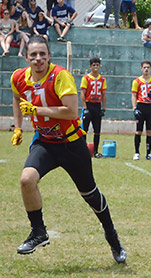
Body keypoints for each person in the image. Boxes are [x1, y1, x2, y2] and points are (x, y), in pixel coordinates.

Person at [11, 36, 126, 263]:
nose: (38, 59)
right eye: (33, 55)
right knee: (27, 180)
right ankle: (38, 232)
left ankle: (112, 236)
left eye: (42, 54)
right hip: (45, 142)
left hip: (72, 144)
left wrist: (36, 110)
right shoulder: (18, 77)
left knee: (90, 195)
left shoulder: (60, 76)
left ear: (49, 56)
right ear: (26, 58)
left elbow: (71, 112)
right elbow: (16, 97)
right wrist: (18, 127)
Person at [131, 60, 151, 160]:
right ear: (141, 68)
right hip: (141, 106)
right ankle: (137, 152)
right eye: (144, 67)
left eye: (148, 67)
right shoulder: (137, 81)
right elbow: (134, 95)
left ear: (150, 68)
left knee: (149, 131)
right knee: (138, 130)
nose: (146, 69)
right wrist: (134, 108)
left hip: (150, 107)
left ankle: (148, 153)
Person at [80, 57, 107, 158]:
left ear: (100, 66)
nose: (96, 67)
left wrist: (103, 108)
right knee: (84, 130)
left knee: (97, 130)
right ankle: (82, 151)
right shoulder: (86, 78)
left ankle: (95, 151)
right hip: (89, 104)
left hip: (97, 105)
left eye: (97, 65)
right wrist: (85, 107)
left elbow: (104, 94)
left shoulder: (102, 79)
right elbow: (82, 93)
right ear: (90, 66)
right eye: (94, 65)